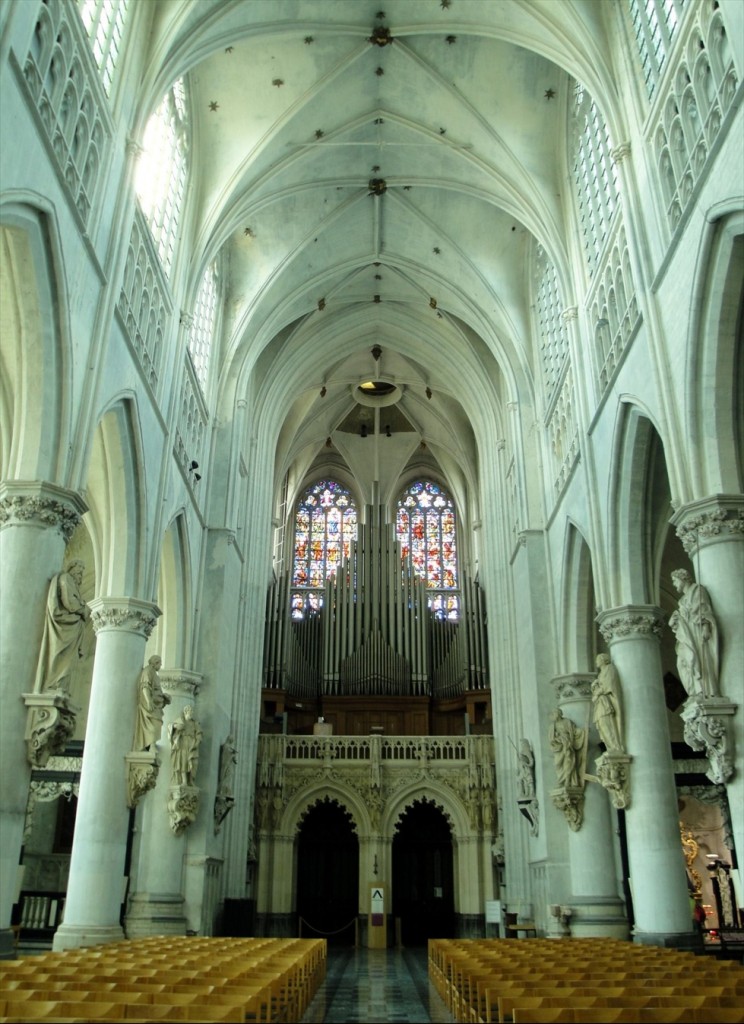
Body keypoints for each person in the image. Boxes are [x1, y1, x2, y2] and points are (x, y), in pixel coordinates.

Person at [33, 560, 90, 694]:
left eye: (81, 571)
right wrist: (83, 609)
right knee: (60, 656)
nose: (80, 573)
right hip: (65, 628)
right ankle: (53, 684)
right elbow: (70, 602)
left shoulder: (73, 583)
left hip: (72, 628)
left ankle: (60, 685)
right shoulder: (66, 579)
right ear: (72, 568)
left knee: (68, 660)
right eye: (79, 570)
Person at [669, 569, 720, 698]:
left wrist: (706, 627)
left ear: (683, 578)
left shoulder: (697, 590)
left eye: (675, 581)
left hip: (697, 630)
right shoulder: (681, 600)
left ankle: (708, 690)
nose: (674, 585)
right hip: (688, 634)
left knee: (702, 660)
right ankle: (697, 691)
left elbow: (703, 609)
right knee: (683, 662)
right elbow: (683, 618)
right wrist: (674, 621)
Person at [132, 655, 170, 751]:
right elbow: (145, 686)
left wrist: (163, 697)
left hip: (156, 704)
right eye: (160, 663)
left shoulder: (154, 673)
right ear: (155, 662)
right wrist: (148, 701)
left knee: (157, 724)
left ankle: (151, 745)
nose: (161, 665)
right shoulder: (148, 671)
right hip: (149, 705)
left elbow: (156, 689)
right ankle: (149, 745)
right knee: (153, 725)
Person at [592, 653, 624, 752]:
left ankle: (615, 746)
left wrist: (597, 693)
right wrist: (594, 686)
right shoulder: (600, 674)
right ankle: (610, 746)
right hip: (600, 704)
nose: (596, 661)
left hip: (605, 703)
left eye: (598, 659)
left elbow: (609, 685)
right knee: (602, 725)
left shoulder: (609, 669)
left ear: (604, 660)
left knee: (608, 724)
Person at [548, 708, 585, 789]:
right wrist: (557, 739)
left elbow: (574, 731)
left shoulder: (567, 722)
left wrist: (581, 731)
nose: (553, 716)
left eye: (554, 713)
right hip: (558, 747)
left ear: (559, 714)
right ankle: (561, 781)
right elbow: (551, 739)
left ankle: (568, 781)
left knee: (568, 761)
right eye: (553, 714)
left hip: (568, 744)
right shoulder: (552, 726)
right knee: (558, 765)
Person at [169, 704, 203, 787]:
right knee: (183, 762)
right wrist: (175, 726)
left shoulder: (195, 723)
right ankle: (184, 781)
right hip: (182, 744)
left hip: (192, 744)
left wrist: (197, 742)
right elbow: (171, 726)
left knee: (193, 763)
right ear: (185, 712)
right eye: (190, 712)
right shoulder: (181, 720)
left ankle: (191, 780)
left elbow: (199, 734)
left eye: (192, 712)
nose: (191, 713)